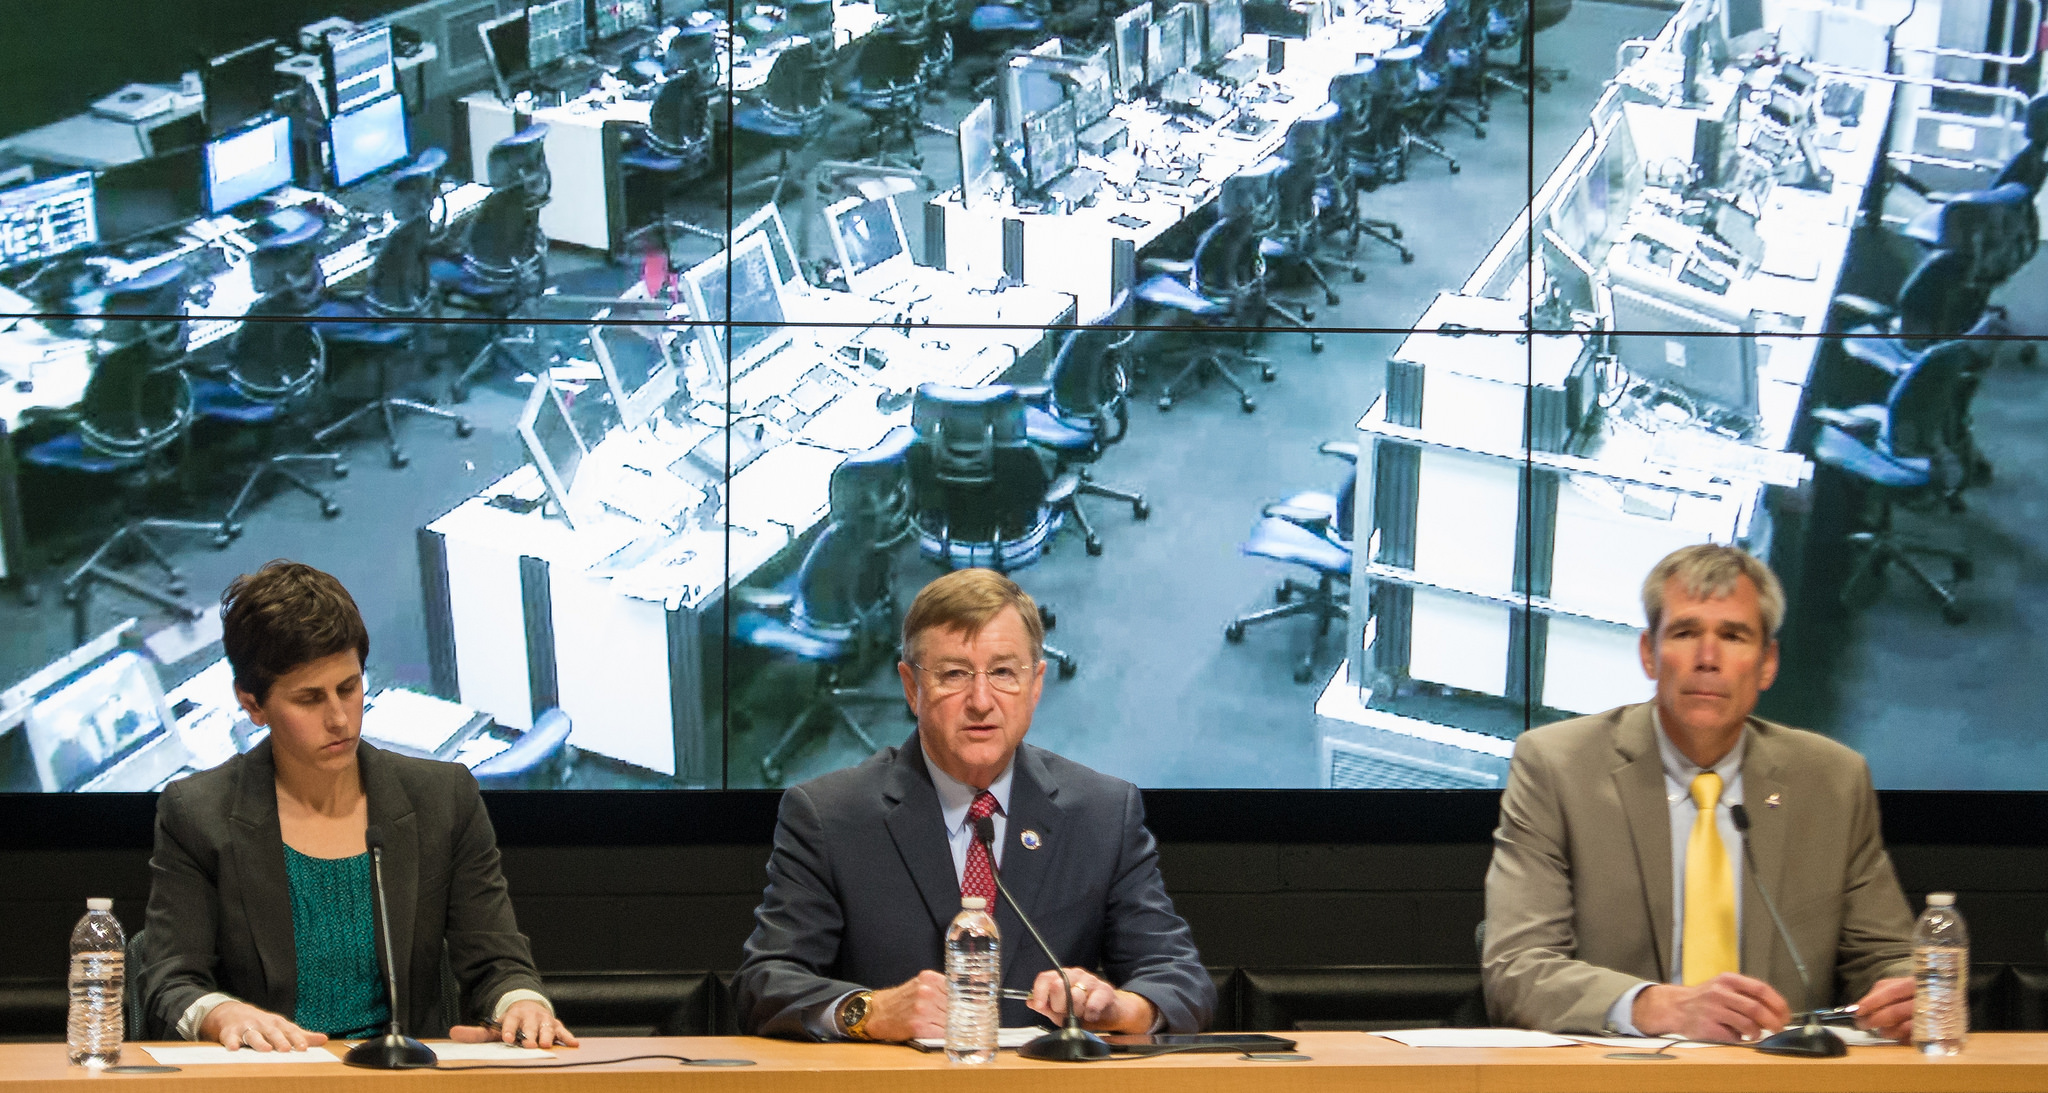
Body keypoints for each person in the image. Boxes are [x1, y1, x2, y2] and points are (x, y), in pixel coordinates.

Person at [734, 569, 1215, 1041]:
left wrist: (1118, 1008)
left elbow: (1178, 979)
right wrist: (869, 1010)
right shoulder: (829, 815)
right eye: (954, 675)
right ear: (911, 687)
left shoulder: (1102, 812)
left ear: (1036, 684)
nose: (981, 701)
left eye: (1004, 672)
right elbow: (765, 984)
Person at [1482, 544, 1917, 1043]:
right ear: (1649, 653)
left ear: (1767, 663)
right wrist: (1656, 1007)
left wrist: (1909, 994)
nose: (1708, 659)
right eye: (1686, 633)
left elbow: (1886, 956)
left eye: (1733, 636)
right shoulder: (1558, 766)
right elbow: (1517, 969)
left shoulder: (1832, 780)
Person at [136, 561, 575, 1052]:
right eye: (309, 699)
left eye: (349, 687)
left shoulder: (442, 797)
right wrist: (221, 1013)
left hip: (403, 1078)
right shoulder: (199, 814)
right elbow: (169, 982)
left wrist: (519, 1003)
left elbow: (498, 962)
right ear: (253, 705)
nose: (340, 718)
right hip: (272, 1079)